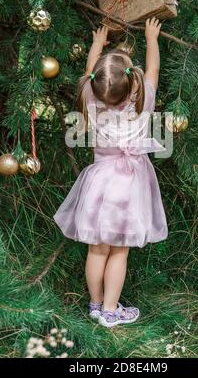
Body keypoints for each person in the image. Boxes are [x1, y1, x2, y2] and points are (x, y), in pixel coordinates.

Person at [53, 18, 168, 328]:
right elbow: (153, 71)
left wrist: (96, 45)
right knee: (119, 251)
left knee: (97, 249)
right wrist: (152, 39)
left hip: (99, 183)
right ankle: (110, 310)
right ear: (133, 80)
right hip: (128, 187)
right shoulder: (143, 103)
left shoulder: (91, 100)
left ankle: (94, 304)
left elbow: (91, 73)